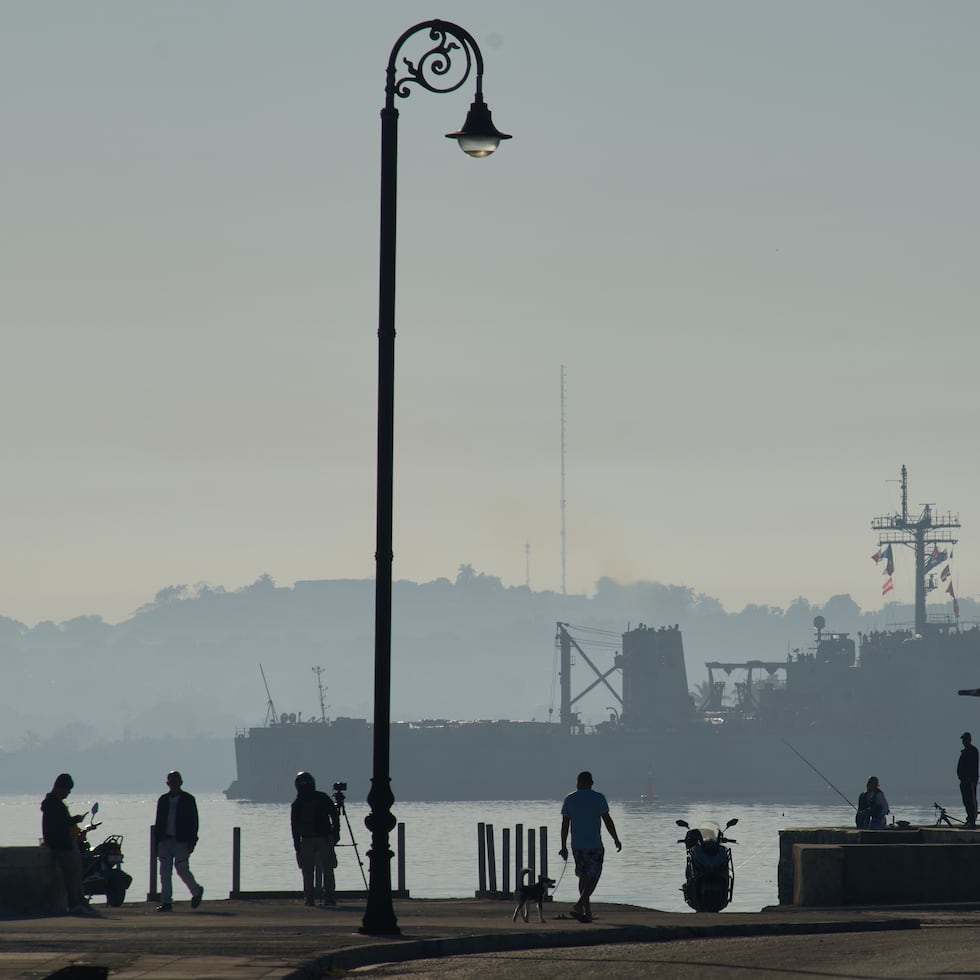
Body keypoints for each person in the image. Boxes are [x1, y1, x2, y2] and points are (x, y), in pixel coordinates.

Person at [558, 770, 622, 922]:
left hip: (577, 845)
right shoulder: (598, 798)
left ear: (577, 783)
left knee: (583, 877)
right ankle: (580, 905)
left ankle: (586, 913)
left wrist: (563, 846)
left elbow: (565, 825)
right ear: (591, 783)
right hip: (594, 845)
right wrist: (616, 839)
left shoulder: (570, 799)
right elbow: (607, 820)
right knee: (594, 876)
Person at [40, 773, 94, 915]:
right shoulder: (53, 804)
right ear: (60, 788)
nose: (68, 793)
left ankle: (80, 902)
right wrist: (74, 820)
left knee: (75, 876)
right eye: (68, 790)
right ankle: (75, 904)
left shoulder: (53, 803)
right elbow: (59, 824)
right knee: (71, 877)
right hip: (62, 846)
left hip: (65, 844)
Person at [153, 770, 204, 911]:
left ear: (181, 783)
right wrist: (156, 844)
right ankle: (166, 902)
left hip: (181, 841)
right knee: (164, 872)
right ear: (167, 783)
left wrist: (192, 841)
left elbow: (194, 822)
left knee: (182, 869)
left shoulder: (189, 799)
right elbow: (158, 822)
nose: (173, 784)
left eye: (175, 781)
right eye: (171, 782)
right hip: (165, 840)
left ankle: (196, 891)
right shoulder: (163, 800)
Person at [290, 771, 341, 907]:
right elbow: (334, 815)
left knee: (307, 871)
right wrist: (336, 833)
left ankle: (309, 898)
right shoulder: (322, 797)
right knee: (328, 869)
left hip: (306, 840)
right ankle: (329, 897)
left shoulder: (297, 803)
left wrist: (296, 843)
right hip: (324, 838)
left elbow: (294, 826)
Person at [958, 732, 979, 828]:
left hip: (970, 781)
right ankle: (969, 819)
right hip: (963, 781)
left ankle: (972, 821)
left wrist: (970, 779)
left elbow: (973, 767)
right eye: (963, 739)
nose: (963, 741)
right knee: (966, 801)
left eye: (965, 739)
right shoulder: (965, 751)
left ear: (969, 740)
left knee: (971, 801)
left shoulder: (973, 751)